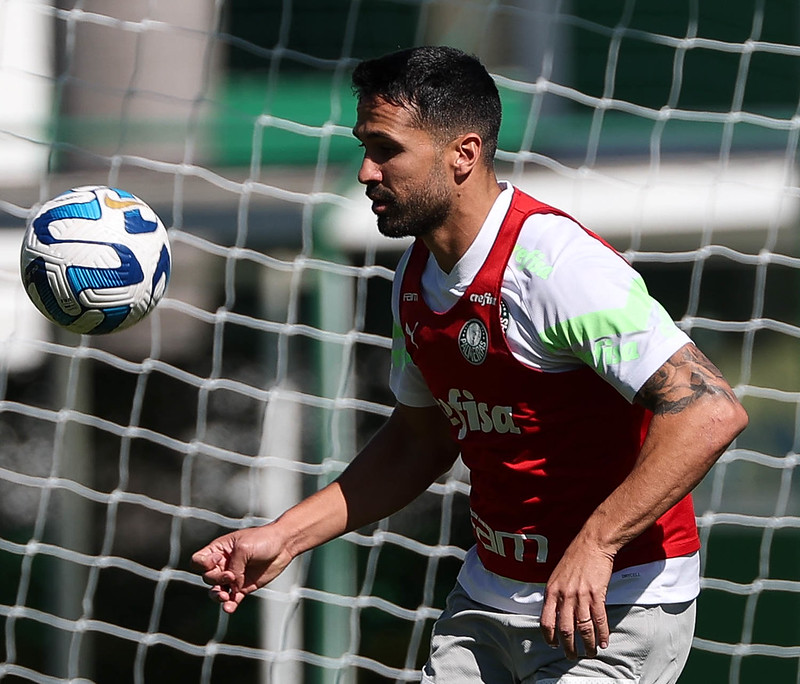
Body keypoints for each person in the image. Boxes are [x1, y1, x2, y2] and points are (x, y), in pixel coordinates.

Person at [192, 46, 748, 682]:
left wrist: (596, 546)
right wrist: (284, 536)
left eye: (386, 148)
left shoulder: (556, 266)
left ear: (464, 153)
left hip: (613, 606)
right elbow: (417, 441)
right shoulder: (414, 275)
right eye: (363, 147)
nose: (366, 172)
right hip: (487, 604)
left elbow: (709, 411)